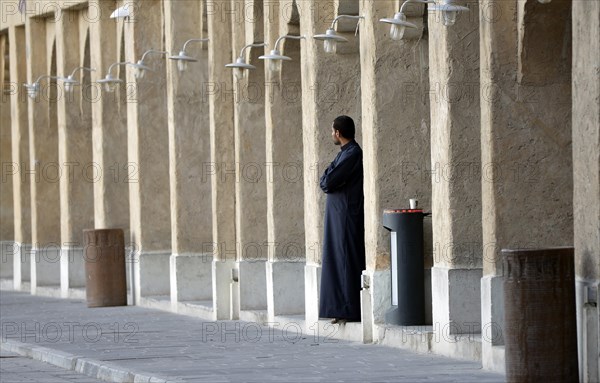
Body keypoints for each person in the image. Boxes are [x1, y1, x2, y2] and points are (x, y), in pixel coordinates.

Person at [319, 115, 366, 324]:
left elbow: (328, 181)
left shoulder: (353, 153)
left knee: (346, 259)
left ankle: (349, 309)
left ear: (338, 133)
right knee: (337, 259)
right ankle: (340, 308)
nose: (331, 134)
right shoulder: (345, 153)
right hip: (338, 216)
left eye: (332, 131)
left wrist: (328, 177)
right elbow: (326, 178)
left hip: (345, 216)